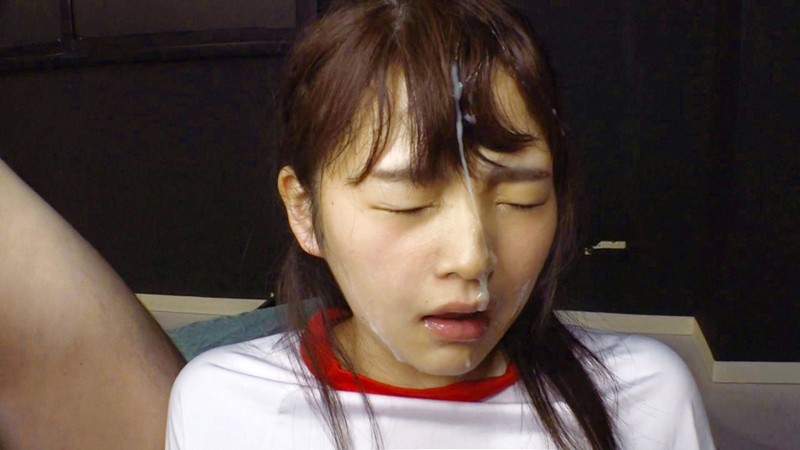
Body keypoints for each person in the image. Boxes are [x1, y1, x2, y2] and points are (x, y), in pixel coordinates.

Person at [165, 1, 715, 449]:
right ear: (304, 210)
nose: (473, 258)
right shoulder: (225, 405)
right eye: (406, 203)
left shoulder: (645, 400)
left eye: (522, 199)